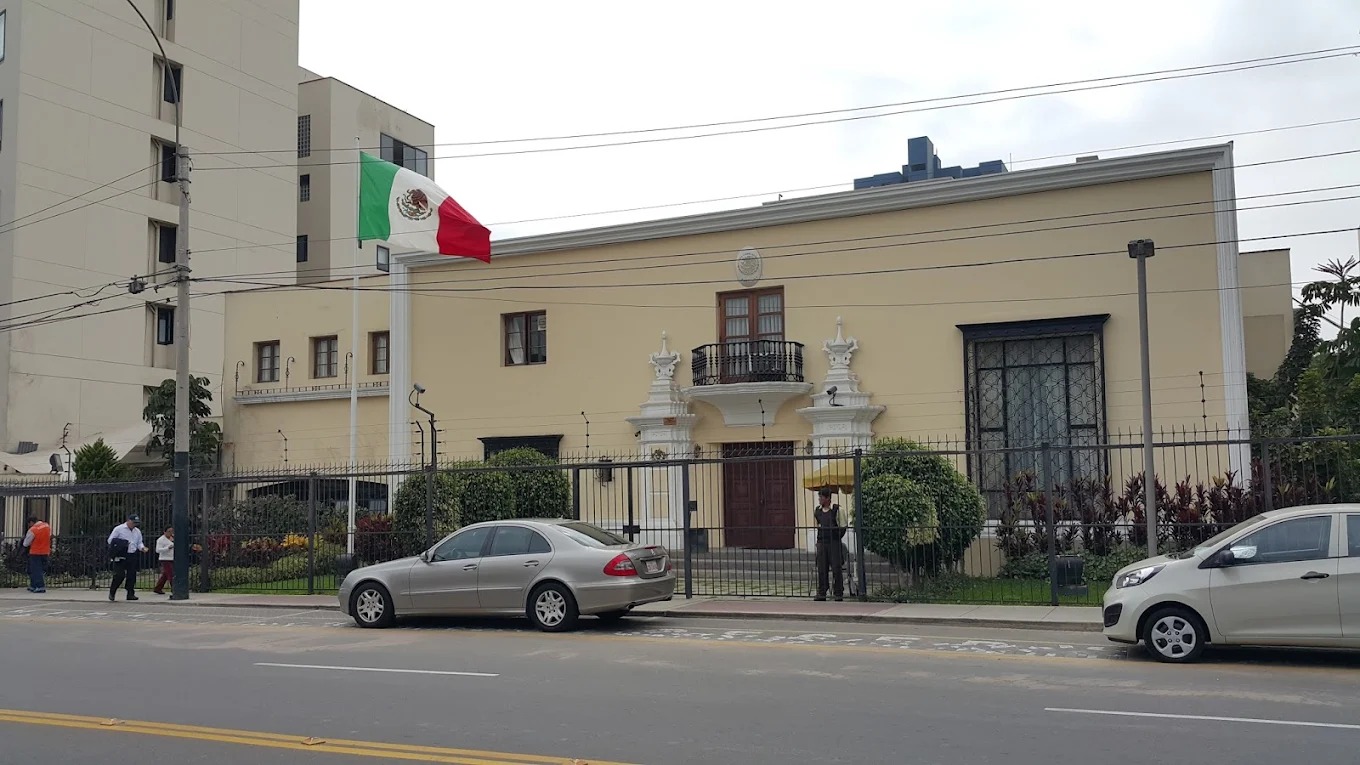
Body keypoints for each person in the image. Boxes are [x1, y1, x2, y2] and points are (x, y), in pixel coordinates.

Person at [813, 487, 847, 601]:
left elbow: (843, 526)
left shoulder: (837, 510)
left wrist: (837, 537)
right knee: (822, 568)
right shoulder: (817, 511)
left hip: (834, 542)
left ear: (827, 498)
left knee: (836, 568)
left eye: (821, 497)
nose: (819, 499)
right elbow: (817, 526)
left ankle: (838, 592)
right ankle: (822, 592)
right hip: (822, 542)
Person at [108, 514, 148, 602]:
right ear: (128, 521)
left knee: (131, 575)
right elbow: (110, 540)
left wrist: (142, 548)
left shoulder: (137, 531)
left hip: (132, 554)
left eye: (136, 523)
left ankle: (130, 593)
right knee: (119, 575)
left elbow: (139, 542)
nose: (135, 525)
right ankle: (112, 591)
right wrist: (122, 543)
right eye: (133, 522)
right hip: (121, 554)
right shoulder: (119, 529)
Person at [22, 516, 51, 593]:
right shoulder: (46, 526)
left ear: (31, 522)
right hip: (45, 551)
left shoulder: (33, 530)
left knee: (35, 570)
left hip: (35, 552)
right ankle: (33, 585)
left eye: (29, 524)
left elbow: (26, 543)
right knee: (40, 569)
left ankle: (39, 586)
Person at [153, 527, 175, 595]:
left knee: (165, 574)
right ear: (164, 532)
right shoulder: (161, 540)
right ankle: (174, 589)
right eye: (168, 531)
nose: (170, 533)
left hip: (172, 558)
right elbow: (158, 550)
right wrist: (167, 548)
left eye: (171, 531)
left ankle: (158, 588)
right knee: (171, 574)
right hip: (165, 558)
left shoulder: (173, 538)